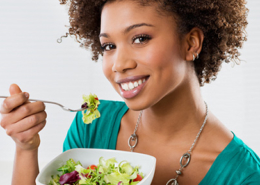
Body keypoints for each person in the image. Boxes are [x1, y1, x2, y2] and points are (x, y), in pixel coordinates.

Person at [1, 0, 259, 184]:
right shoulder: (92, 126)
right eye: (109, 45)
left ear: (191, 43)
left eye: (140, 38)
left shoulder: (242, 176)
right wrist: (26, 148)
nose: (118, 64)